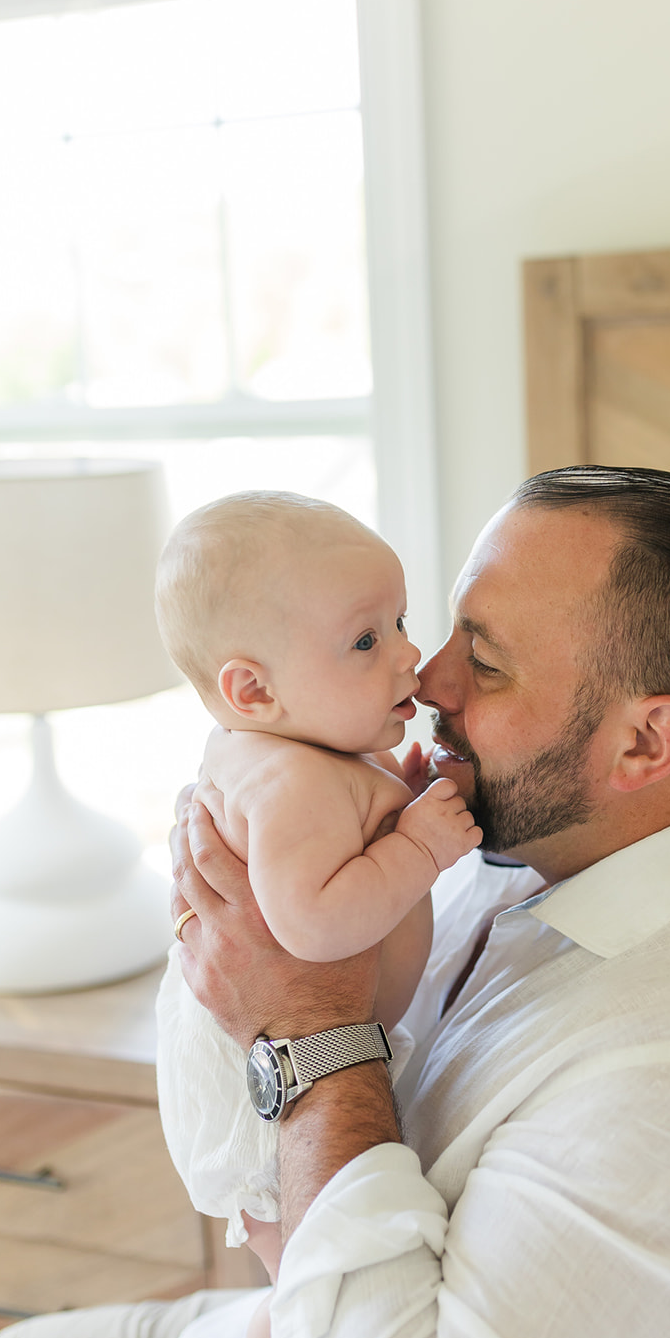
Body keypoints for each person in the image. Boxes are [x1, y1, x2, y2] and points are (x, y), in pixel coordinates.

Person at [0, 465, 670, 1338]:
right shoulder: (540, 839)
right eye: (432, 629)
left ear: (640, 742)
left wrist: (307, 1029)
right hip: (332, 1316)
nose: (425, 679)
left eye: (481, 662)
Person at [151, 490, 479, 1246]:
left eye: (398, 622)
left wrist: (402, 795)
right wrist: (419, 848)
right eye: (365, 641)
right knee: (296, 1274)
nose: (409, 657)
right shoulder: (289, 780)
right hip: (260, 1069)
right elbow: (314, 923)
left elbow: (349, 829)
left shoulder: (309, 749)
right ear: (254, 691)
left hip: (281, 1050)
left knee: (297, 1277)